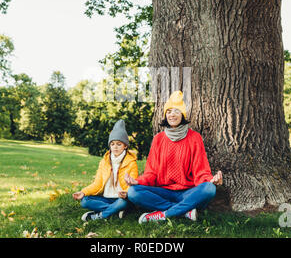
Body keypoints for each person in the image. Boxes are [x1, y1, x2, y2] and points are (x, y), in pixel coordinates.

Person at [125, 91, 223, 223]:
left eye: (176, 111)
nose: (172, 114)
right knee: (133, 192)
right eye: (169, 111)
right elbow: (151, 172)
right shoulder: (158, 139)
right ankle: (183, 211)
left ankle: (162, 214)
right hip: (163, 192)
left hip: (188, 192)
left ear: (182, 115)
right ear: (165, 115)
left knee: (209, 189)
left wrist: (211, 180)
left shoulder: (194, 138)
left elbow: (201, 170)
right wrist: (139, 181)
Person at [72, 119, 138, 221]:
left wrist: (126, 193)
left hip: (121, 198)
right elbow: (97, 184)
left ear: (125, 146)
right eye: (112, 144)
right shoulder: (104, 162)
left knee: (122, 203)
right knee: (85, 201)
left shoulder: (131, 162)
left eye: (119, 144)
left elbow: (133, 186)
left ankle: (99, 216)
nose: (115, 147)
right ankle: (115, 211)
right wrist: (83, 192)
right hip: (105, 198)